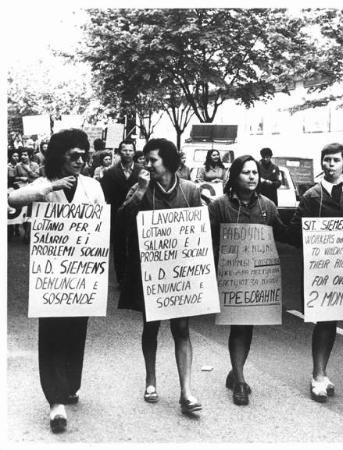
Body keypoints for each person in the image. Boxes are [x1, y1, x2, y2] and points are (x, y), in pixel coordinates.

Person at [8, 128, 105, 433]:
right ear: (59, 156)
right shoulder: (43, 184)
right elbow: (12, 197)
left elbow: (101, 223)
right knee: (52, 332)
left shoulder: (92, 186)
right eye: (73, 155)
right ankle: (55, 402)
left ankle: (69, 385)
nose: (80, 161)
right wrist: (48, 188)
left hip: (81, 273)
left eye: (83, 155)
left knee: (75, 331)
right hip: (52, 275)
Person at [118, 138, 204, 414]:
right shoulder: (141, 188)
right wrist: (140, 192)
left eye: (152, 159)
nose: (147, 164)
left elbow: (201, 228)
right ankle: (151, 379)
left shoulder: (190, 190)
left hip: (181, 273)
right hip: (151, 272)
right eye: (145, 159)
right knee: (151, 326)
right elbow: (121, 222)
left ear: (167, 161)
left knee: (182, 329)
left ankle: (186, 391)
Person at [209, 155, 287, 406]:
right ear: (235, 176)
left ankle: (236, 370)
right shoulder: (219, 206)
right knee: (238, 326)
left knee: (247, 326)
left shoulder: (268, 206)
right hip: (231, 277)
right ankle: (240, 382)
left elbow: (283, 234)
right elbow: (207, 240)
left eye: (255, 172)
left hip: (257, 280)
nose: (252, 176)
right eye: (246, 172)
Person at [289, 143, 343, 402]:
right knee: (323, 321)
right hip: (319, 268)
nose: (330, 165)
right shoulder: (311, 195)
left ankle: (323, 371)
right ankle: (317, 374)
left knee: (332, 322)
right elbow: (295, 230)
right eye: (326, 160)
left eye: (335, 160)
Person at [100, 139, 142, 287]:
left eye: (131, 150)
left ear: (134, 152)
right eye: (125, 150)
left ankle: (135, 278)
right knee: (119, 247)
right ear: (119, 152)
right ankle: (121, 278)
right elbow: (104, 195)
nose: (128, 153)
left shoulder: (142, 172)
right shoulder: (110, 172)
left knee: (135, 245)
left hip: (137, 215)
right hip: (116, 216)